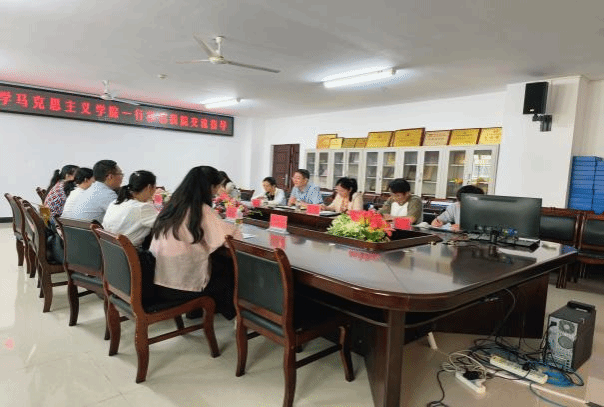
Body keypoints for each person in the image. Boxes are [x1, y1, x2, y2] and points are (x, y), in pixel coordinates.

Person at [150, 166, 242, 320]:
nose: (217, 191)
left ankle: (197, 311)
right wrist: (235, 229)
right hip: (183, 285)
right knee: (230, 268)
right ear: (209, 187)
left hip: (161, 278)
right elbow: (229, 238)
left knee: (216, 260)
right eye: (217, 186)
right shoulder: (200, 209)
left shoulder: (172, 205)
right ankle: (237, 316)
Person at [103, 170, 158, 248]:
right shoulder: (142, 208)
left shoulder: (115, 202)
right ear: (149, 187)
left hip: (110, 249)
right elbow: (165, 224)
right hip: (132, 253)